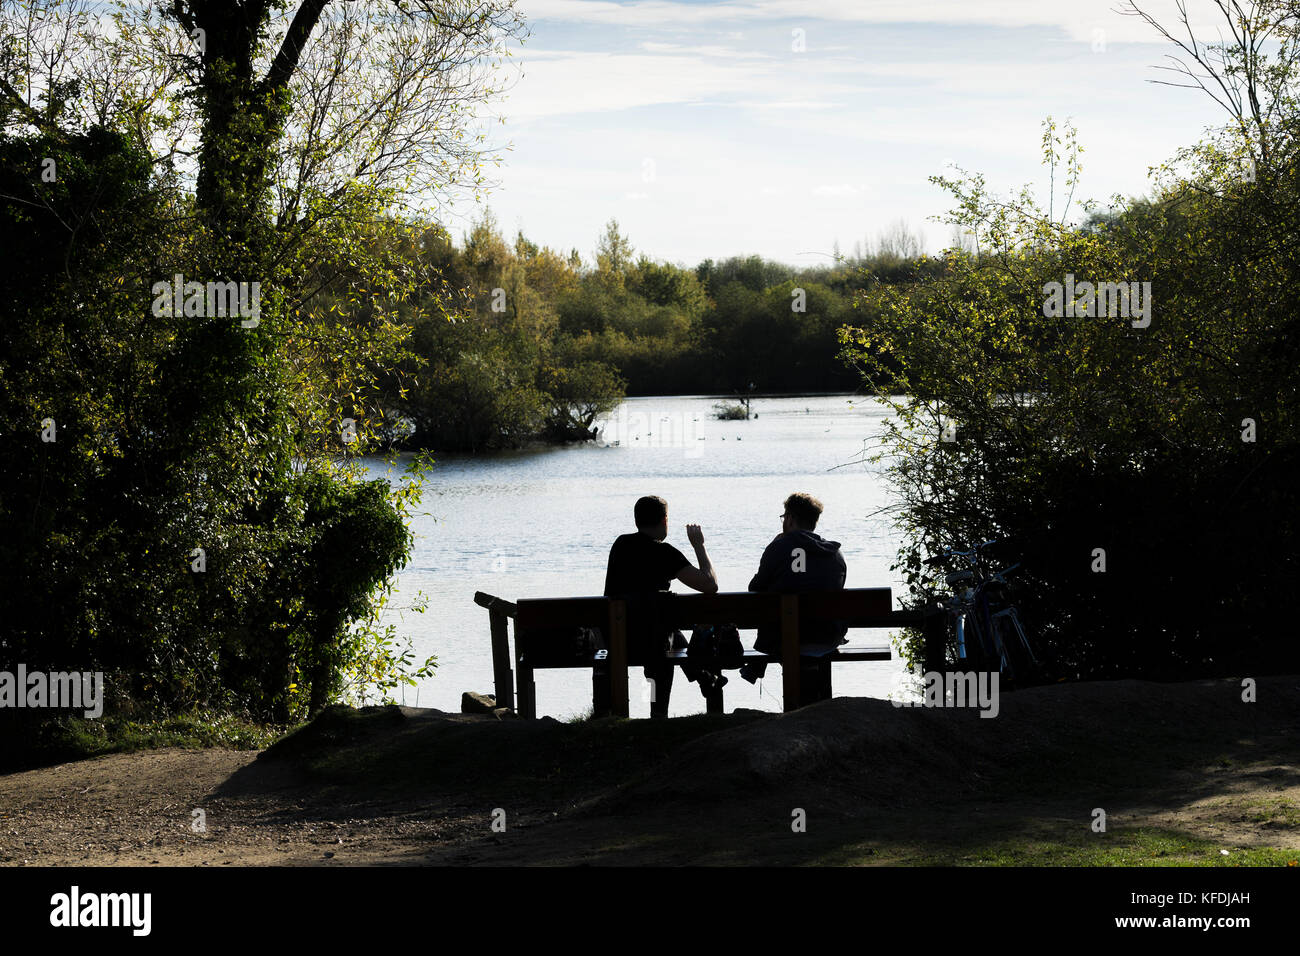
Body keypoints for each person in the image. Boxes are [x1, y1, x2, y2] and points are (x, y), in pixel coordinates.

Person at [598, 495, 719, 718]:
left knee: (670, 635)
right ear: (664, 520)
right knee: (666, 640)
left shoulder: (620, 545)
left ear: (637, 521)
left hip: (618, 640)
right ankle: (661, 711)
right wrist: (699, 546)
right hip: (654, 644)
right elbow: (710, 586)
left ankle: (702, 678)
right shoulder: (666, 554)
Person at [742, 492, 847, 704]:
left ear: (789, 518)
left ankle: (756, 669)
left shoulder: (779, 548)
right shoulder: (835, 554)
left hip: (786, 637)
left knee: (780, 615)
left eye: (784, 517)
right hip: (827, 635)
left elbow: (755, 589)